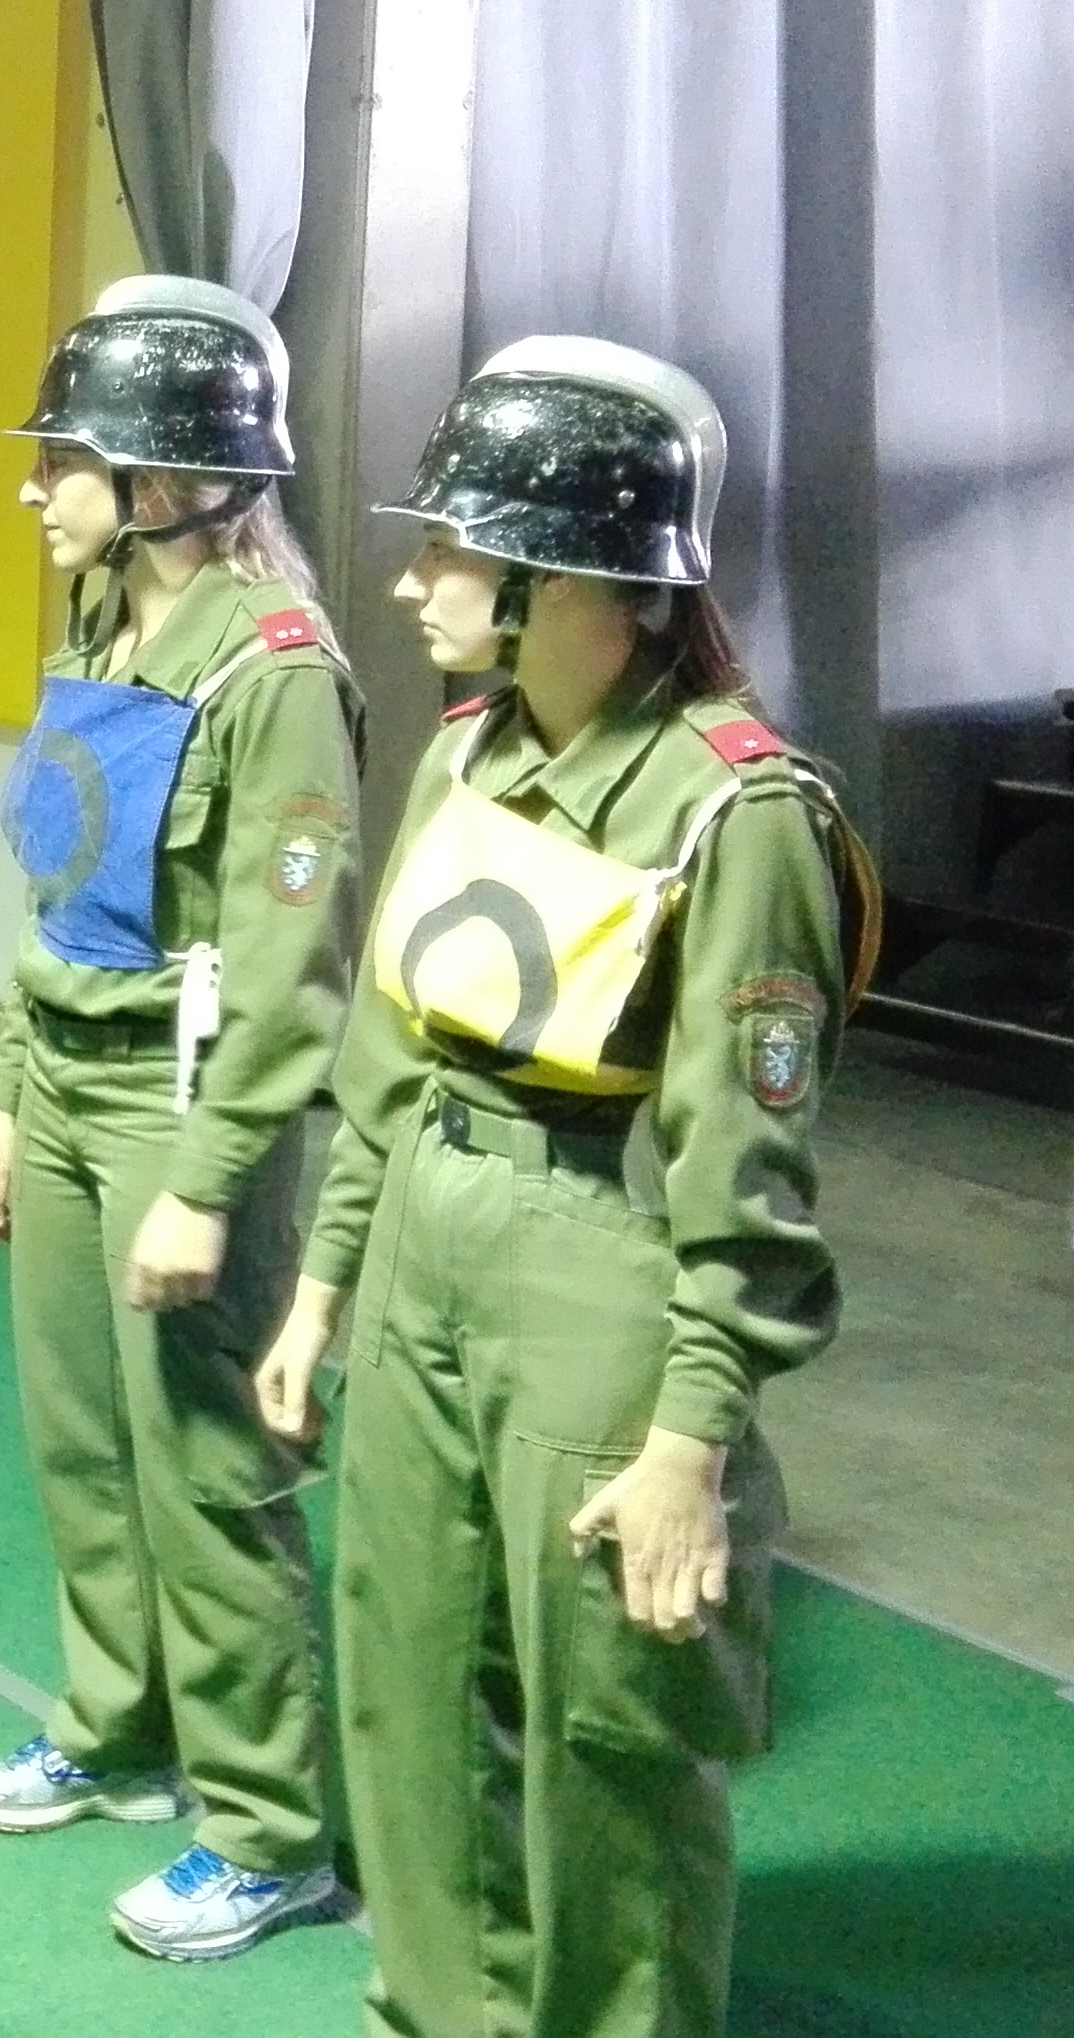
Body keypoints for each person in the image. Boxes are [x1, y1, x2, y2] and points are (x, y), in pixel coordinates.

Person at [255, 338, 872, 2038]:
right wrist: (324, 1286)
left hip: (600, 1269)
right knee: (407, 1681)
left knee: (611, 1728)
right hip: (428, 1241)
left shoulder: (733, 812)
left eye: (455, 549)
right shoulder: (467, 754)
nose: (413, 581)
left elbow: (751, 1170)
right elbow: (396, 1049)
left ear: (569, 580)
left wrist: (690, 1437)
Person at [0, 276, 361, 1959]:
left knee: (204, 1468)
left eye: (66, 460)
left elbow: (291, 965)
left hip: (183, 1111)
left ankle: (268, 1827)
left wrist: (209, 1180)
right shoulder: (106, 625)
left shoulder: (276, 671)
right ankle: (124, 1732)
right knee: (81, 1444)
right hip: (63, 1077)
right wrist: (4, 1090)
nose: (35, 486)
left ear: (168, 478)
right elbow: (70, 893)